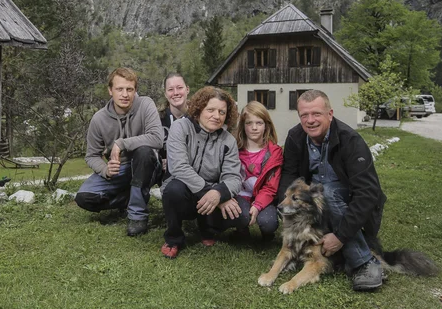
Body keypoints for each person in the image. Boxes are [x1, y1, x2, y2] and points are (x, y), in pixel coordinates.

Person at [277, 89, 387, 291]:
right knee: (319, 193)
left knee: (327, 191)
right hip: (318, 209)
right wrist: (287, 210)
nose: (310, 120)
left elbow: (367, 193)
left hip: (348, 202)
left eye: (316, 114)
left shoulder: (351, 141)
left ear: (330, 114)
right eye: (304, 115)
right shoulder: (295, 137)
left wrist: (340, 237)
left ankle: (366, 262)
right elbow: (288, 178)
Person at [160, 86, 247, 259]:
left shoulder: (228, 140)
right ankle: (174, 237)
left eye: (222, 112)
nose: (216, 116)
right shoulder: (180, 128)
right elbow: (179, 167)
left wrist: (219, 193)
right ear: (199, 109)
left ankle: (207, 227)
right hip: (183, 189)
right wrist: (212, 194)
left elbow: (234, 177)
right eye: (211, 110)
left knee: (242, 215)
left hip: (212, 193)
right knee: (173, 190)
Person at [75, 68, 163, 237]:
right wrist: (105, 169)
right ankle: (129, 198)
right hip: (120, 171)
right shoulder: (99, 119)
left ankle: (137, 216)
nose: (125, 94)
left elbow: (157, 139)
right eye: (119, 89)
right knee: (84, 197)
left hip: (148, 165)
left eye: (129, 89)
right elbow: (92, 155)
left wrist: (121, 143)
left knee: (143, 151)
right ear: (110, 90)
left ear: (135, 90)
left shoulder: (145, 104)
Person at [234, 101, 283, 241]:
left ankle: (268, 234)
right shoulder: (234, 150)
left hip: (264, 196)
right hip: (241, 196)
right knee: (241, 215)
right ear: (243, 126)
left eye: (259, 123)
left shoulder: (274, 153)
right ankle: (241, 230)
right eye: (249, 123)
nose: (254, 127)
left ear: (266, 125)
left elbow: (271, 187)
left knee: (268, 223)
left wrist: (257, 205)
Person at [158, 72, 189, 171]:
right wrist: (159, 161)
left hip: (190, 171)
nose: (176, 93)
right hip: (162, 172)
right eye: (170, 89)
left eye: (179, 87)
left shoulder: (198, 118)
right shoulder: (157, 119)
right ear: (166, 94)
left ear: (187, 89)